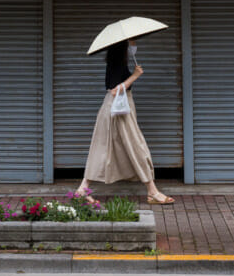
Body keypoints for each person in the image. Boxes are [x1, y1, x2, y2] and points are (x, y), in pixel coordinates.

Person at [75, 38, 175, 205]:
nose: (132, 48)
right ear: (121, 49)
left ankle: (82, 190)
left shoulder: (117, 61)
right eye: (129, 45)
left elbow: (131, 53)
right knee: (137, 148)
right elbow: (115, 90)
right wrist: (135, 76)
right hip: (118, 111)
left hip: (115, 109)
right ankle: (152, 192)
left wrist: (131, 41)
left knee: (103, 149)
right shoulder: (117, 64)